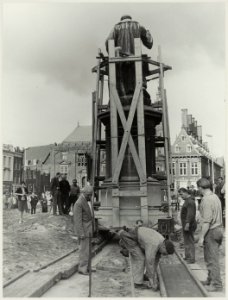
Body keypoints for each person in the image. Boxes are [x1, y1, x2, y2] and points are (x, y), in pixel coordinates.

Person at [105, 15, 153, 105]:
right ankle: (137, 95)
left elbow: (108, 43)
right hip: (136, 61)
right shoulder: (138, 25)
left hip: (121, 61)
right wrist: (149, 34)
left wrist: (114, 51)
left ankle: (123, 96)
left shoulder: (116, 27)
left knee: (123, 82)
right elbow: (149, 43)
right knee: (136, 82)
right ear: (130, 19)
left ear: (121, 20)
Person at [197, 177, 223, 292]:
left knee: (212, 259)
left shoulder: (206, 200)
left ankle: (216, 285)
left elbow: (207, 222)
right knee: (210, 257)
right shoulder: (215, 196)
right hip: (218, 229)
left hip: (211, 231)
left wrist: (201, 238)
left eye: (198, 188)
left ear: (200, 188)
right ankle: (210, 279)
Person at [73, 185, 94, 275]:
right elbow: (77, 220)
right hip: (84, 231)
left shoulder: (86, 200)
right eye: (89, 195)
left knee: (88, 250)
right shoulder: (79, 203)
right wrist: (81, 233)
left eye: (91, 195)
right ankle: (82, 268)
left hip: (88, 230)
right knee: (84, 250)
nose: (90, 196)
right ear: (84, 193)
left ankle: (87, 267)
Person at [178, 188, 197, 264]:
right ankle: (187, 256)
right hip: (186, 224)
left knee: (190, 241)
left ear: (186, 192)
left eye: (181, 194)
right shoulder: (187, 201)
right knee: (186, 241)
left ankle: (191, 258)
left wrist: (187, 224)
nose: (181, 196)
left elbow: (191, 214)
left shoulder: (190, 201)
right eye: (179, 195)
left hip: (189, 225)